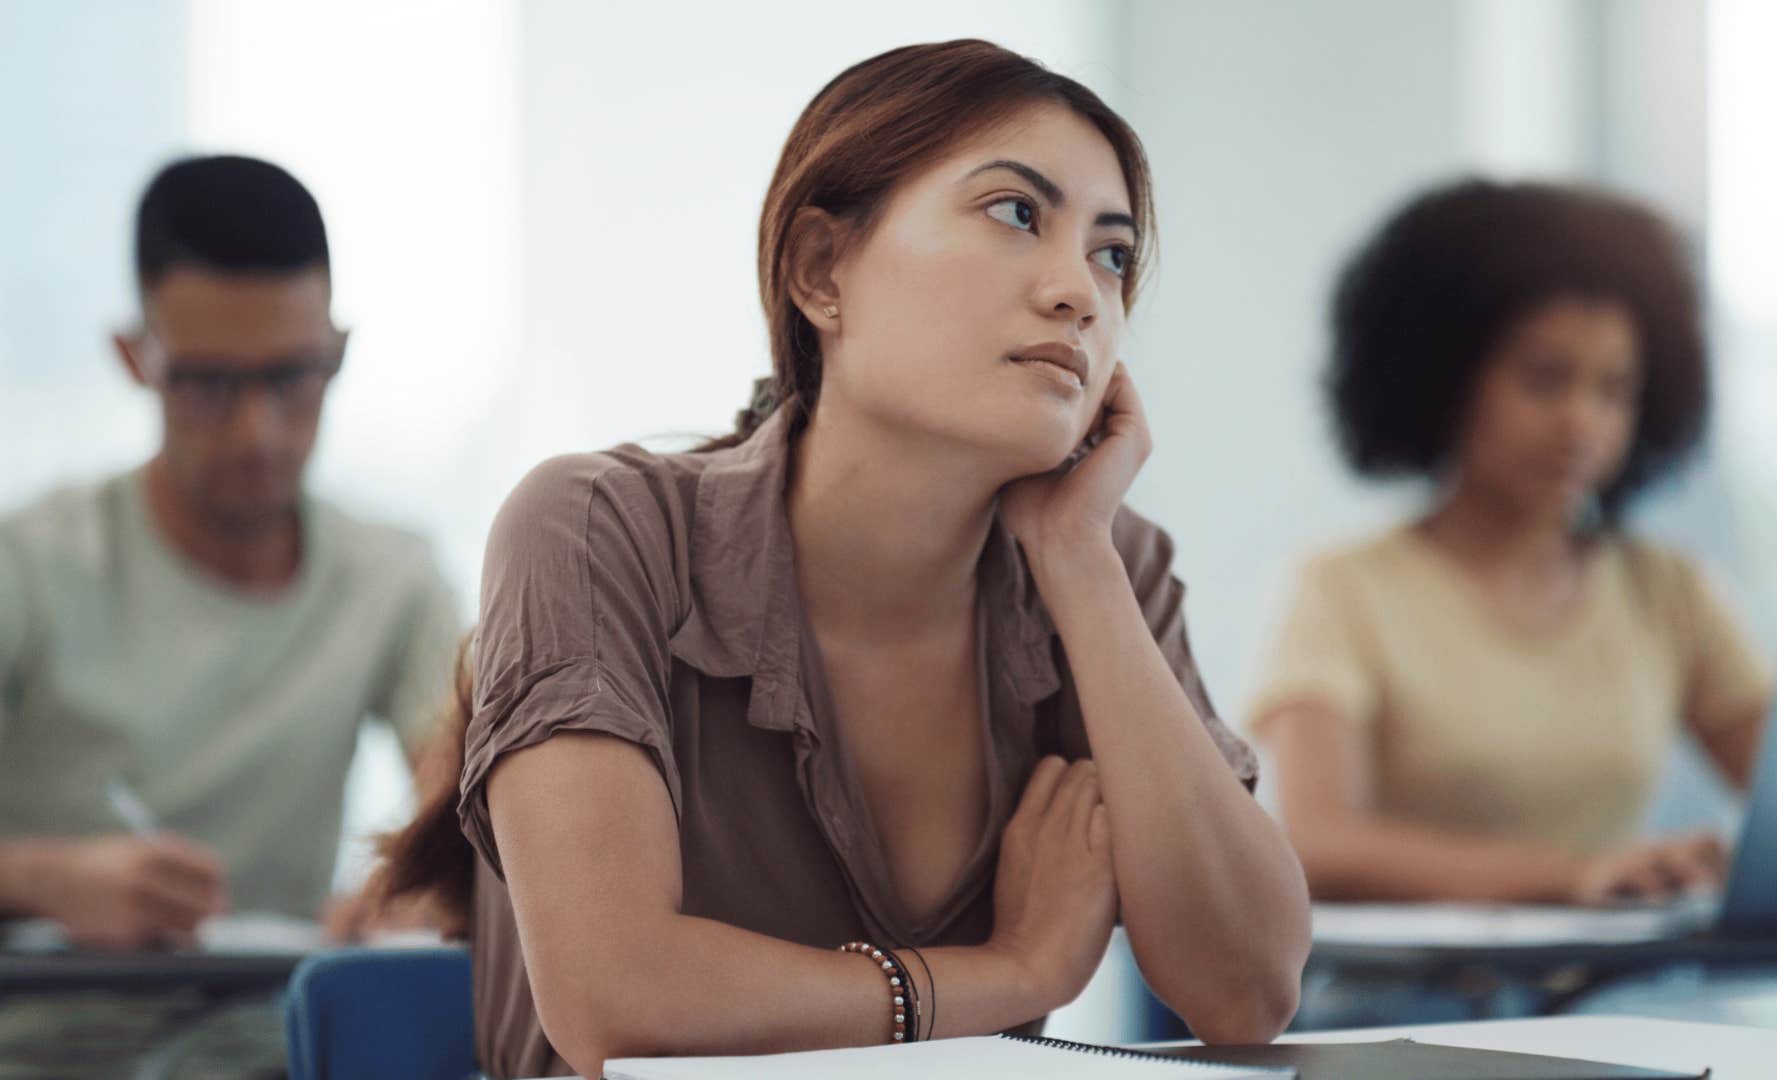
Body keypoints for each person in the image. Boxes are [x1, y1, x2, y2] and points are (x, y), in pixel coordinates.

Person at [382, 39, 1311, 1080]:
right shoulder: (598, 525)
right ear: (823, 270)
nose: (1080, 294)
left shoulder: (1106, 562)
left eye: (1112, 254)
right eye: (1016, 213)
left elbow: (1247, 994)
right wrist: (1012, 972)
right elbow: (618, 1002)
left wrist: (1077, 559)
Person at [0, 154, 462, 1077]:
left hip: (271, 1051)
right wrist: (38, 880)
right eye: (211, 383)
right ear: (137, 359)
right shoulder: (32, 565)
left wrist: (419, 885)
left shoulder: (392, 580)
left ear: (339, 352)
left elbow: (466, 800)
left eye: (294, 376)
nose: (260, 430)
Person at [1246, 178, 1773, 909]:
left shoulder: (1670, 590)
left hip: (1611, 1002)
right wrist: (1571, 878)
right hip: (1390, 1008)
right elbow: (1317, 844)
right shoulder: (1340, 589)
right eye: (1545, 379)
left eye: (1614, 389)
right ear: (1448, 378)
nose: (1581, 423)